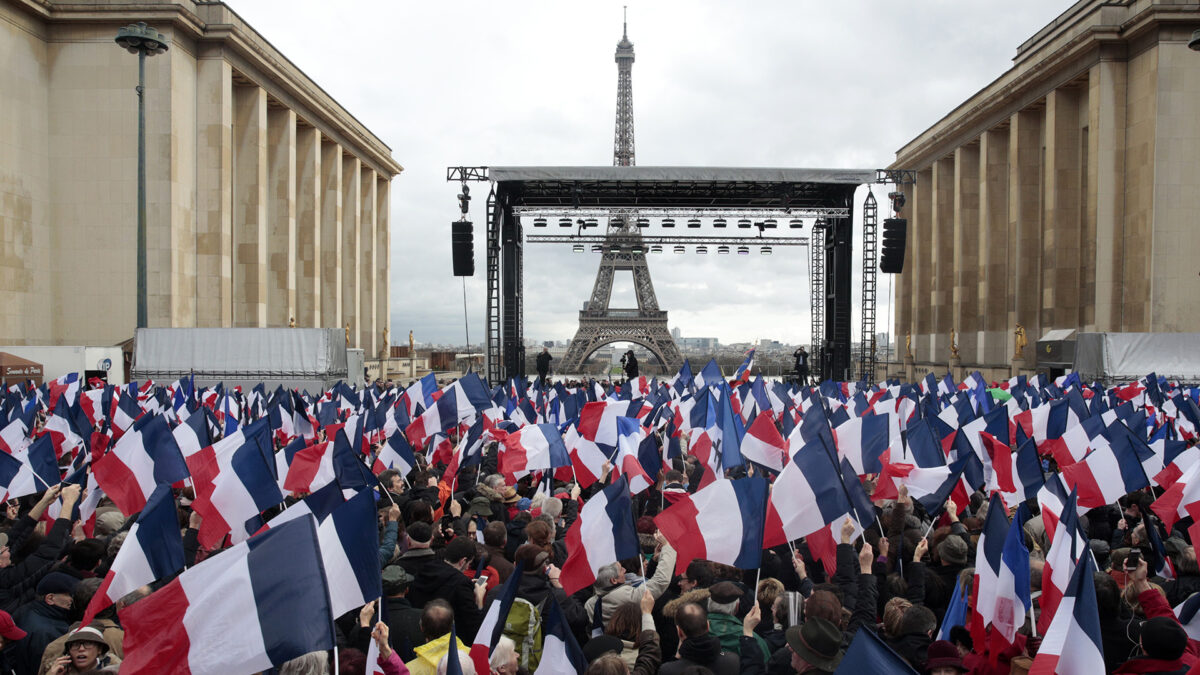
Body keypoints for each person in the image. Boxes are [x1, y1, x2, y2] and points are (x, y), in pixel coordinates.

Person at [45, 626, 119, 674]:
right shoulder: (60, 671)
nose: (81, 649)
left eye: (88, 643)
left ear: (99, 649)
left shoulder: (115, 671)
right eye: (75, 645)